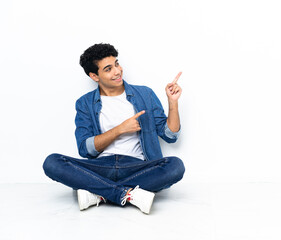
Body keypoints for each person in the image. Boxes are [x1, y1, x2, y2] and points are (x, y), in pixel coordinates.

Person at [43, 43, 185, 214]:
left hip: (137, 167)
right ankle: (125, 194)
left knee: (175, 166)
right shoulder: (85, 103)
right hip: (101, 168)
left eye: (116, 64)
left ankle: (99, 193)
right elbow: (85, 149)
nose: (117, 71)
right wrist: (119, 129)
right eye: (108, 69)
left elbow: (170, 135)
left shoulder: (145, 94)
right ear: (95, 76)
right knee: (52, 163)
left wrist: (173, 103)